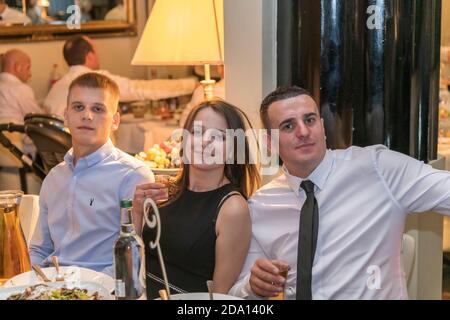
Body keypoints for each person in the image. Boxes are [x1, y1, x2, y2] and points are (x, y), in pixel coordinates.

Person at [229, 86, 450, 300]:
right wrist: (253, 286)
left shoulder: (377, 169)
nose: (303, 132)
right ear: (269, 142)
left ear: (322, 126)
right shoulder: (261, 205)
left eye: (309, 120)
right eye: (288, 126)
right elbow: (236, 294)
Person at [133, 99, 261, 299]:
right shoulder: (167, 189)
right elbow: (132, 258)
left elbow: (219, 296)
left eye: (218, 136)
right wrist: (138, 210)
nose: (204, 141)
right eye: (197, 132)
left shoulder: (232, 207)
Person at [29, 72, 154, 274]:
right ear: (66, 116)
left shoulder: (133, 176)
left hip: (103, 289)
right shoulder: (54, 177)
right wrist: (31, 282)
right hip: (51, 285)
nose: (87, 115)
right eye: (78, 107)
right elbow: (39, 248)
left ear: (115, 121)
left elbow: (133, 258)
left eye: (97, 109)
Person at [43, 35, 198, 117]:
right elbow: (140, 89)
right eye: (96, 52)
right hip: (88, 157)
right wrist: (191, 84)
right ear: (89, 56)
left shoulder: (55, 88)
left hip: (60, 163)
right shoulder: (98, 81)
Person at [0, 49, 42, 123]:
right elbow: (39, 118)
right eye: (28, 68)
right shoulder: (21, 89)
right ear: (17, 67)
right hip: (14, 133)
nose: (30, 74)